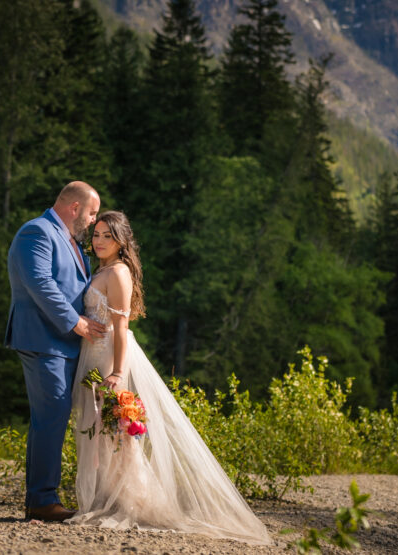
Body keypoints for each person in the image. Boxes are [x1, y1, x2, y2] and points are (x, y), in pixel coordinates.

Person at [68, 211, 271, 545]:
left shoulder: (118, 273)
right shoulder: (102, 268)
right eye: (97, 234)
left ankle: (130, 499)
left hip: (108, 356)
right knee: (97, 428)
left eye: (107, 235)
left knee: (112, 428)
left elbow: (121, 326)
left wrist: (118, 372)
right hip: (92, 353)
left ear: (121, 241)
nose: (99, 241)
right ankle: (106, 496)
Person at [5, 181, 106, 522]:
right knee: (51, 417)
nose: (93, 221)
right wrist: (75, 323)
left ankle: (43, 496)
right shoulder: (37, 232)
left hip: (62, 344)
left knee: (57, 417)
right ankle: (41, 501)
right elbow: (40, 283)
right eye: (92, 213)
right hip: (43, 340)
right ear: (74, 208)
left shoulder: (69, 240)